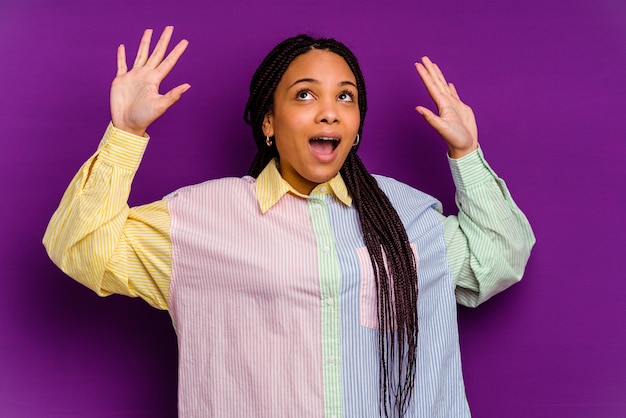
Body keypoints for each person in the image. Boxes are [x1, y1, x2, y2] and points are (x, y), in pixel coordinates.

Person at [43, 26, 535, 418]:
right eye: (304, 95)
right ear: (269, 123)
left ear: (358, 123)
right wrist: (125, 134)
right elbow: (82, 249)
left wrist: (466, 153)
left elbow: (497, 261)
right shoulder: (200, 219)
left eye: (345, 97)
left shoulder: (408, 215)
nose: (328, 112)